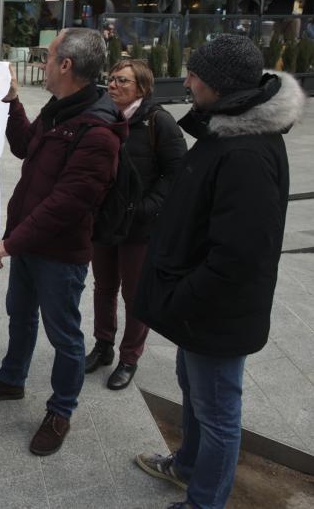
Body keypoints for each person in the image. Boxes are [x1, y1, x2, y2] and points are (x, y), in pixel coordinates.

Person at [133, 35, 304, 509]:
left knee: (218, 412)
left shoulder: (245, 152)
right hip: (202, 308)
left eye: (194, 75)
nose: (185, 81)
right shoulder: (227, 129)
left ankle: (204, 501)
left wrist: (183, 297)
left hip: (215, 312)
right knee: (195, 392)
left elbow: (239, 256)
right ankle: (187, 466)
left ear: (220, 86)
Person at [0, 28, 126, 456]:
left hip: (60, 254)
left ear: (66, 66)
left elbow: (65, 206)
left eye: (49, 56)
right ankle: (12, 381)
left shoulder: (98, 131)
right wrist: (12, 103)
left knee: (65, 336)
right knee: (20, 315)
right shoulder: (60, 109)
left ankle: (61, 411)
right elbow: (24, 146)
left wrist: (10, 242)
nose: (43, 63)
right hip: (30, 244)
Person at [85, 59, 187, 391]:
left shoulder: (160, 123)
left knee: (134, 294)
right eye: (111, 79)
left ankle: (129, 357)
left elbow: (176, 174)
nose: (113, 85)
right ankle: (103, 346)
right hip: (105, 222)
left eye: (122, 81)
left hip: (140, 226)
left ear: (141, 88)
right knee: (103, 287)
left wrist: (147, 207)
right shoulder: (102, 116)